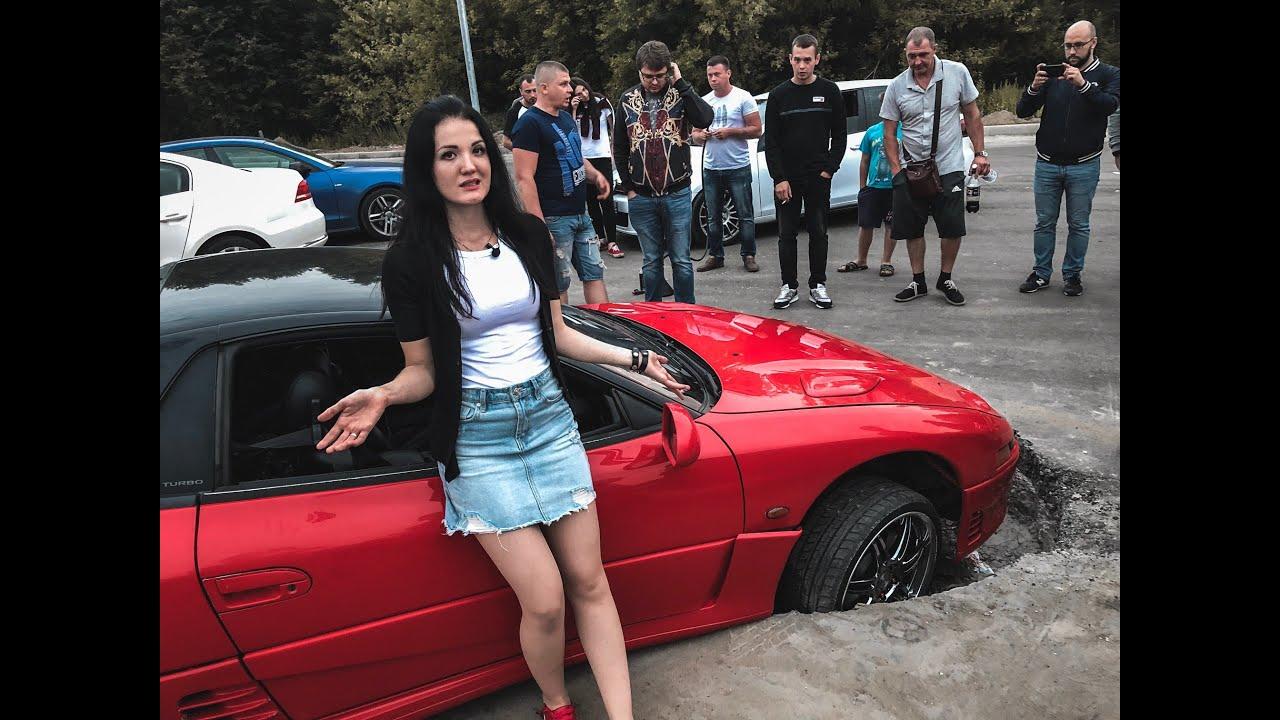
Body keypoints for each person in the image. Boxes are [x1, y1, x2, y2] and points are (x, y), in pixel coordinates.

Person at [315, 95, 689, 720]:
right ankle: (556, 704)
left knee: (590, 581)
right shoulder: (411, 261)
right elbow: (423, 371)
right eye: (449, 154)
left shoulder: (528, 235)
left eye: (477, 150)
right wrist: (383, 394)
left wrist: (636, 359)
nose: (469, 165)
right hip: (478, 438)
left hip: (549, 420)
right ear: (426, 169)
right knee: (544, 601)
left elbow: (559, 335)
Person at [881, 26, 991, 306]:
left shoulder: (957, 73)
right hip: (911, 168)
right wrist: (896, 172)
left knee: (952, 227)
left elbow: (972, 114)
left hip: (949, 166)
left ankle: (946, 278)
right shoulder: (897, 86)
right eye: (911, 56)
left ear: (934, 50)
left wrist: (980, 153)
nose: (917, 61)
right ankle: (918, 280)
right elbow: (889, 133)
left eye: (923, 55)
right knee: (912, 228)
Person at [1015, 21, 1120, 298]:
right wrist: (1034, 88)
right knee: (1044, 222)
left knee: (1079, 224)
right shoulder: (1054, 76)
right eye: (1067, 46)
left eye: (1078, 45)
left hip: (1085, 163)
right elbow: (1023, 110)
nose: (1072, 52)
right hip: (1047, 162)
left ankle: (1072, 275)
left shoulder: (1109, 74)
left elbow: (1110, 105)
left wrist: (1083, 85)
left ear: (1093, 43)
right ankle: (1041, 273)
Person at [613, 40, 713, 303]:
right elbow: (620, 148)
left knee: (681, 260)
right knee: (651, 262)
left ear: (669, 71)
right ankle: (653, 318)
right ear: (639, 73)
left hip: (677, 193)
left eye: (660, 75)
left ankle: (686, 314)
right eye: (648, 76)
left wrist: (681, 84)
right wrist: (629, 188)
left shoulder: (681, 95)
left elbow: (705, 119)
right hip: (642, 196)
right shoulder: (627, 100)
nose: (654, 82)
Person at [512, 61, 613, 305]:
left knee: (594, 274)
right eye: (564, 84)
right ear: (544, 88)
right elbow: (524, 178)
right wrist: (539, 226)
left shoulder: (566, 118)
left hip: (581, 214)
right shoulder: (529, 124)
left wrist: (595, 175)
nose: (570, 89)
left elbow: (575, 156)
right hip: (554, 218)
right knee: (558, 284)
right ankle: (561, 329)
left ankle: (603, 325)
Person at [762, 33, 846, 309]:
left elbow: (840, 136)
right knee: (786, 234)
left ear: (817, 59)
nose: (802, 66)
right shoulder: (778, 95)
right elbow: (771, 142)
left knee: (818, 231)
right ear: (790, 59)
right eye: (797, 59)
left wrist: (829, 170)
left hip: (818, 177)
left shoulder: (830, 91)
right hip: (787, 179)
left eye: (807, 60)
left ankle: (818, 284)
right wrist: (779, 178)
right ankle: (789, 286)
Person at [692, 55, 761, 273]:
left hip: (737, 165)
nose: (713, 79)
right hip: (712, 167)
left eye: (717, 74)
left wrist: (730, 132)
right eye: (710, 75)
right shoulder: (704, 101)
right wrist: (700, 136)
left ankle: (748, 254)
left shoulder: (743, 97)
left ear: (728, 73)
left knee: (744, 214)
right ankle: (715, 255)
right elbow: (694, 133)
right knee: (713, 216)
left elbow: (756, 130)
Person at [837, 101, 903, 278]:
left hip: (895, 187)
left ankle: (886, 261)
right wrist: (862, 187)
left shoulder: (904, 131)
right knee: (866, 224)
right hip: (873, 187)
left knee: (891, 225)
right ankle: (861, 259)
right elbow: (865, 160)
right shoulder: (872, 131)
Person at [570, 76, 625, 259]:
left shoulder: (602, 103)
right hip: (584, 158)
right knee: (591, 201)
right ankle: (600, 237)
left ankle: (612, 241)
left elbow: (614, 128)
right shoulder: (573, 108)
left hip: (602, 156)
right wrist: (574, 109)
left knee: (607, 200)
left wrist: (614, 150)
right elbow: (571, 131)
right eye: (579, 93)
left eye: (585, 90)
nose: (584, 94)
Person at [503, 74, 537, 151]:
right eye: (528, 91)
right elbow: (506, 141)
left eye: (535, 90)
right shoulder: (514, 111)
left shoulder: (548, 106)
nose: (532, 95)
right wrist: (525, 152)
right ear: (521, 91)